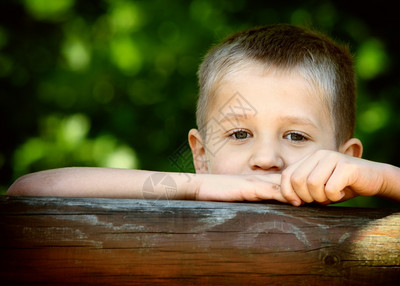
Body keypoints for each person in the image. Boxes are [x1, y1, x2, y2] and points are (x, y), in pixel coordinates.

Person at [7, 24, 400, 206]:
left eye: (296, 136)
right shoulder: (188, 206)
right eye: (240, 134)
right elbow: (30, 189)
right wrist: (197, 187)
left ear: (345, 157)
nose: (266, 159)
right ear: (201, 155)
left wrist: (382, 179)